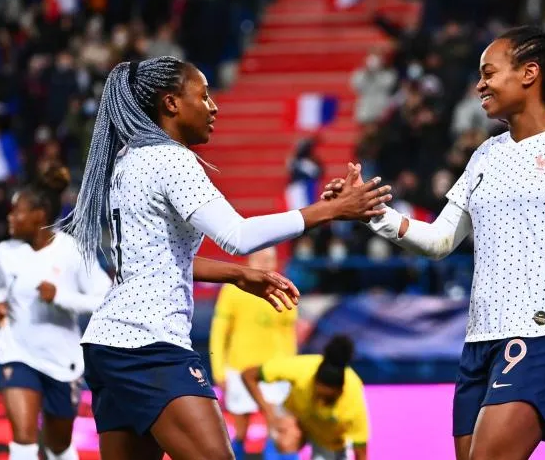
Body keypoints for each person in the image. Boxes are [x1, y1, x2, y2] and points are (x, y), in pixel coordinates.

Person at [323, 26, 545, 460]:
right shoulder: (484, 156)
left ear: (529, 74)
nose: (479, 85)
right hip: (479, 341)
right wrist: (374, 214)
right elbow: (438, 241)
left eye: (489, 73)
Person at [65, 56, 391, 460]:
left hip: (109, 343)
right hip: (147, 343)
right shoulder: (170, 159)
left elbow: (157, 261)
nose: (214, 106)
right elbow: (238, 236)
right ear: (171, 103)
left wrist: (236, 276)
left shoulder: (127, 161)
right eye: (203, 96)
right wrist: (329, 211)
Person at [0, 165, 111, 460]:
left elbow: (105, 299)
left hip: (62, 361)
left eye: (17, 212)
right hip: (17, 353)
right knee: (23, 439)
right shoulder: (4, 253)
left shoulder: (72, 250)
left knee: (58, 446)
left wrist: (61, 297)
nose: (10, 218)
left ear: (39, 216)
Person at [210, 247, 297, 460]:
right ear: (250, 260)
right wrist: (219, 370)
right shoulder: (233, 290)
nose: (267, 264)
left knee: (276, 426)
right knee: (240, 429)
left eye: (271, 260)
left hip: (275, 371)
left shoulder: (285, 288)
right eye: (262, 259)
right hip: (239, 367)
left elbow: (289, 333)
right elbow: (220, 332)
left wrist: (291, 368)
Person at [241, 335, 369, 460]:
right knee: (286, 440)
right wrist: (269, 413)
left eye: (328, 399)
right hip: (296, 417)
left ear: (340, 392)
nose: (321, 402)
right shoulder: (303, 368)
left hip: (328, 441)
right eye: (317, 394)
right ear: (313, 381)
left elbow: (361, 453)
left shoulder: (354, 401)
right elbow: (249, 375)